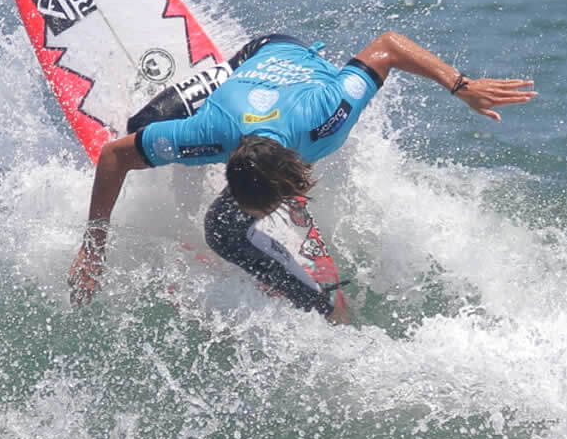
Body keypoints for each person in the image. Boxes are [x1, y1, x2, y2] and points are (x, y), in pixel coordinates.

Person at [68, 30, 535, 318]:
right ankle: (214, 74)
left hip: (288, 61)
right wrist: (93, 246)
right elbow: (113, 157)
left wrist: (462, 86)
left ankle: (325, 307)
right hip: (252, 63)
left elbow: (390, 46)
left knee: (221, 229)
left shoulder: (329, 117)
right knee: (137, 131)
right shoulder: (207, 134)